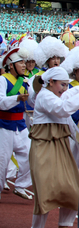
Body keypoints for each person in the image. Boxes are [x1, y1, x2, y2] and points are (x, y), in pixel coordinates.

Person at [29, 67, 79, 228]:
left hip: (60, 146)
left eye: (66, 85)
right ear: (51, 82)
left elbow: (67, 96)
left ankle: (64, 225)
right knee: (45, 187)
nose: (64, 89)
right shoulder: (44, 96)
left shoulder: (55, 94)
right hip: (44, 146)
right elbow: (63, 109)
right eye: (62, 85)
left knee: (73, 185)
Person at [0, 47, 32, 200]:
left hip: (20, 124)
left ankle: (21, 185)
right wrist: (17, 98)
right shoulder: (2, 79)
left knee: (31, 154)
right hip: (4, 125)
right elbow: (1, 102)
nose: (24, 65)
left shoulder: (25, 81)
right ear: (11, 65)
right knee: (2, 161)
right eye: (21, 63)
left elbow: (31, 101)